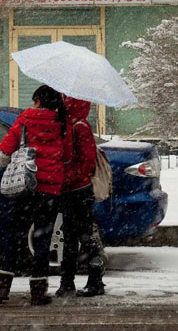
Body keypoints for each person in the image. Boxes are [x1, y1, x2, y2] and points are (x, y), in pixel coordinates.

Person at [0, 85, 66, 306]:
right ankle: (38, 291)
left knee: (14, 237)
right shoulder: (62, 124)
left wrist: (14, 161)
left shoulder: (25, 119)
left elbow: (4, 153)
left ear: (39, 101)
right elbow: (67, 155)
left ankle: (3, 287)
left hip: (25, 189)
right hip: (50, 191)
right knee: (42, 240)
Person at [55, 96, 105, 298]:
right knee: (69, 238)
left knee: (85, 237)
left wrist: (68, 177)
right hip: (69, 190)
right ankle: (67, 282)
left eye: (65, 100)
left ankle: (95, 281)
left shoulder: (79, 126)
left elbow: (87, 162)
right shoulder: (67, 124)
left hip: (79, 190)